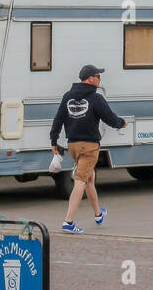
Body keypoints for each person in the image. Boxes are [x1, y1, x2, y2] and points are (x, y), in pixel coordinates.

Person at [51, 64, 127, 233]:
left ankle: (98, 213)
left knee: (89, 177)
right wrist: (121, 123)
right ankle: (68, 222)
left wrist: (54, 141)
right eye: (98, 76)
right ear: (91, 78)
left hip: (73, 146)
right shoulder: (96, 98)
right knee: (80, 181)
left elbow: (58, 120)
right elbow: (110, 118)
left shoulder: (67, 96)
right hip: (89, 147)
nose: (100, 79)